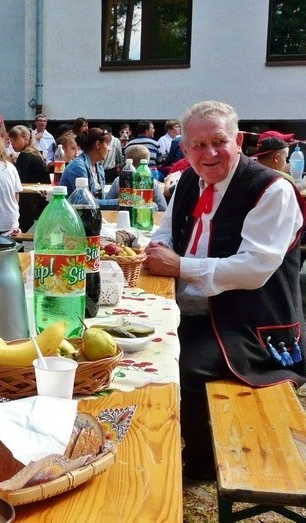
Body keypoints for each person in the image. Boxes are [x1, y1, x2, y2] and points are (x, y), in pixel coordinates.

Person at [143, 100, 306, 480]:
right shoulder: (188, 178)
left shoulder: (272, 190)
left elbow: (254, 269)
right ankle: (157, 438)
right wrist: (158, 249)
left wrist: (179, 266)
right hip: (196, 309)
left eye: (218, 141)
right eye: (198, 145)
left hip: (253, 323)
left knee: (184, 366)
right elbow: (166, 232)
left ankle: (201, 464)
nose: (209, 153)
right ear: (184, 149)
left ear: (238, 140)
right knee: (140, 348)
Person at [59, 128, 117, 209]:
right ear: (98, 144)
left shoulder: (98, 166)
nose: (109, 149)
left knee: (119, 181)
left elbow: (100, 198)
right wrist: (117, 202)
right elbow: (85, 201)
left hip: (93, 213)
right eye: (107, 144)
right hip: (75, 215)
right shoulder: (78, 167)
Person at [104, 144, 167, 211]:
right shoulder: (151, 181)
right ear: (147, 162)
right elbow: (163, 206)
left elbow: (107, 202)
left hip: (122, 216)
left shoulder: (118, 180)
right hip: (143, 217)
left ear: (126, 161)